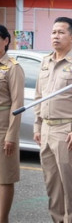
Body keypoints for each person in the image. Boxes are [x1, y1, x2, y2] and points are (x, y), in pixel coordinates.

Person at [33, 17, 72, 223]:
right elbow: (39, 96)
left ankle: (71, 220)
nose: (55, 36)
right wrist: (37, 125)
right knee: (52, 183)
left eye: (61, 32)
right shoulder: (45, 61)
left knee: (68, 183)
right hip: (46, 129)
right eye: (53, 32)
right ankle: (57, 219)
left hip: (65, 130)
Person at [0, 25, 24, 223]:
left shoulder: (13, 67)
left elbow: (17, 104)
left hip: (3, 128)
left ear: (6, 41)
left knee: (5, 177)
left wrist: (11, 135)